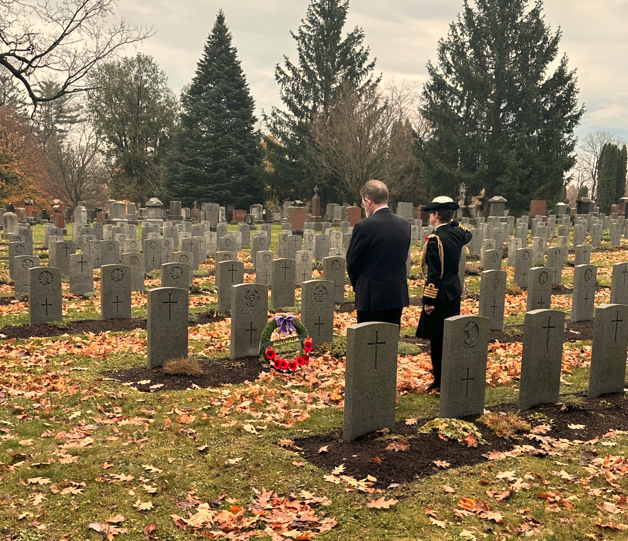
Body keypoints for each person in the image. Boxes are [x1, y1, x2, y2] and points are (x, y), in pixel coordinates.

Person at [416, 196, 473, 392]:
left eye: (431, 213)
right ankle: (449, 374)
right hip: (454, 293)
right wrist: (452, 222)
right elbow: (468, 233)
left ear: (437, 215)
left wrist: (428, 300)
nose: (430, 217)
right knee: (450, 337)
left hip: (439, 297)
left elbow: (434, 274)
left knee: (438, 341)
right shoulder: (457, 234)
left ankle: (440, 381)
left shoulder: (435, 240)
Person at [346, 180, 411, 326]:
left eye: (363, 203)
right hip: (396, 294)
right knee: (389, 342)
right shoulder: (404, 224)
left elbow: (352, 263)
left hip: (370, 296)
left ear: (368, 201)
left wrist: (359, 286)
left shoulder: (364, 226)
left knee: (368, 343)